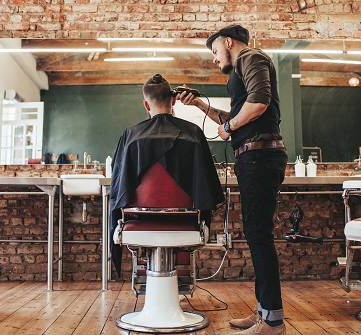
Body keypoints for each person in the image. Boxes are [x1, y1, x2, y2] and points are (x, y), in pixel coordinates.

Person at [178, 24, 288, 335]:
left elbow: (259, 103)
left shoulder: (250, 58)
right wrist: (199, 105)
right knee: (256, 235)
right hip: (254, 156)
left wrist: (228, 129)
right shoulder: (240, 70)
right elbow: (235, 120)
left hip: (260, 157)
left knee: (259, 235)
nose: (214, 59)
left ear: (228, 42)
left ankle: (273, 322)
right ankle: (265, 312)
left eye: (214, 51)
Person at [109, 73, 224, 276]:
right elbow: (207, 187)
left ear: (146, 105)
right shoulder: (193, 133)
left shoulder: (130, 136)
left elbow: (119, 186)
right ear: (173, 100)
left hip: (139, 219)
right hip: (186, 220)